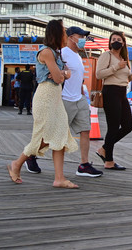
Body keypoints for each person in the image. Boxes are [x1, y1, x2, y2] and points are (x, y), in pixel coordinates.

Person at [7, 19, 80, 189]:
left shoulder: (55, 53)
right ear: (56, 33)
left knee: (60, 134)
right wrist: (63, 74)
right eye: (63, 32)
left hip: (54, 97)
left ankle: (59, 178)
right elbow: (59, 78)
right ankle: (17, 164)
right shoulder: (46, 52)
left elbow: (62, 75)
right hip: (46, 97)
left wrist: (62, 73)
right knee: (43, 136)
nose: (66, 35)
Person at [54, 25, 103, 177]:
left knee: (85, 130)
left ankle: (84, 164)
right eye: (80, 36)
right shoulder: (62, 54)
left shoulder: (78, 56)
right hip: (65, 99)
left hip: (79, 98)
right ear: (70, 37)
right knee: (56, 134)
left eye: (83, 37)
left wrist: (83, 95)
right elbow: (55, 75)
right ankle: (31, 155)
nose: (82, 40)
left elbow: (78, 78)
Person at [95, 31, 132, 170]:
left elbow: (124, 79)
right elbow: (98, 74)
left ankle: (103, 149)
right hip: (110, 91)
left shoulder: (122, 58)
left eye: (118, 39)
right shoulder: (106, 56)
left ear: (123, 43)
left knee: (127, 126)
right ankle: (109, 160)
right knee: (113, 127)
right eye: (113, 39)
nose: (116, 41)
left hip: (121, 92)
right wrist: (116, 67)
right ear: (110, 42)